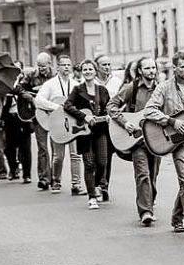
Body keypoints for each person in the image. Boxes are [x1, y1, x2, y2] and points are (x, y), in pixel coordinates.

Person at [144, 51, 184, 235]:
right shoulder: (163, 88)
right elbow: (149, 111)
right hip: (176, 143)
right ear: (175, 68)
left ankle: (177, 216)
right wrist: (172, 122)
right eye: (183, 66)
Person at [107, 56, 162, 226]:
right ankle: (145, 211)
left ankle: (149, 201)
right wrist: (125, 123)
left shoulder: (162, 88)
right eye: (147, 68)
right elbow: (111, 105)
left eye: (153, 68)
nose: (151, 71)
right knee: (142, 174)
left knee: (153, 176)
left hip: (158, 139)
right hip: (137, 140)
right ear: (139, 71)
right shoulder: (132, 87)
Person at [63, 59, 111, 210]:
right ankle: (92, 197)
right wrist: (84, 117)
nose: (88, 72)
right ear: (82, 72)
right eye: (85, 70)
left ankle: (97, 185)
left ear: (95, 71)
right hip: (83, 132)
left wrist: (108, 115)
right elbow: (67, 105)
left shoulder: (102, 90)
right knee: (89, 163)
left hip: (100, 131)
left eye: (90, 69)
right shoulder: (78, 90)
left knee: (103, 162)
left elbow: (108, 107)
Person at [34, 55, 84, 193]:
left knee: (75, 155)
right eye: (63, 65)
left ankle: (76, 184)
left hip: (72, 124)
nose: (66, 67)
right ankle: (56, 181)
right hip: (57, 123)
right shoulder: (50, 84)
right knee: (58, 156)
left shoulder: (76, 85)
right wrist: (56, 107)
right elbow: (38, 101)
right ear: (57, 67)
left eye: (68, 65)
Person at [19, 52, 55, 190]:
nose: (41, 69)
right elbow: (19, 88)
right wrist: (29, 97)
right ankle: (44, 178)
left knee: (55, 148)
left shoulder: (55, 76)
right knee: (42, 148)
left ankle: (55, 177)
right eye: (39, 66)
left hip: (53, 114)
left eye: (43, 66)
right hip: (38, 114)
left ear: (50, 64)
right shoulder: (31, 76)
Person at [94, 54, 121, 202]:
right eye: (104, 64)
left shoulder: (117, 82)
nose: (107, 67)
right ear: (97, 67)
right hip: (97, 124)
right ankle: (97, 184)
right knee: (98, 157)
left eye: (109, 64)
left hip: (113, 124)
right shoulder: (93, 82)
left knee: (107, 156)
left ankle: (103, 186)